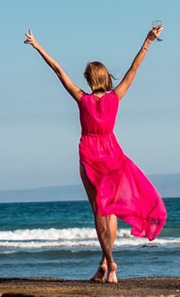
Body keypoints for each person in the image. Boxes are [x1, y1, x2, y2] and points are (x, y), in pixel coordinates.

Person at [23, 25, 167, 283]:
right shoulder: (116, 97)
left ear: (90, 80)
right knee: (109, 211)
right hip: (113, 156)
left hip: (90, 156)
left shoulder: (81, 98)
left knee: (98, 211)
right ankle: (104, 263)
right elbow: (133, 69)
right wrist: (148, 40)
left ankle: (111, 263)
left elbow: (57, 70)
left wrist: (37, 46)